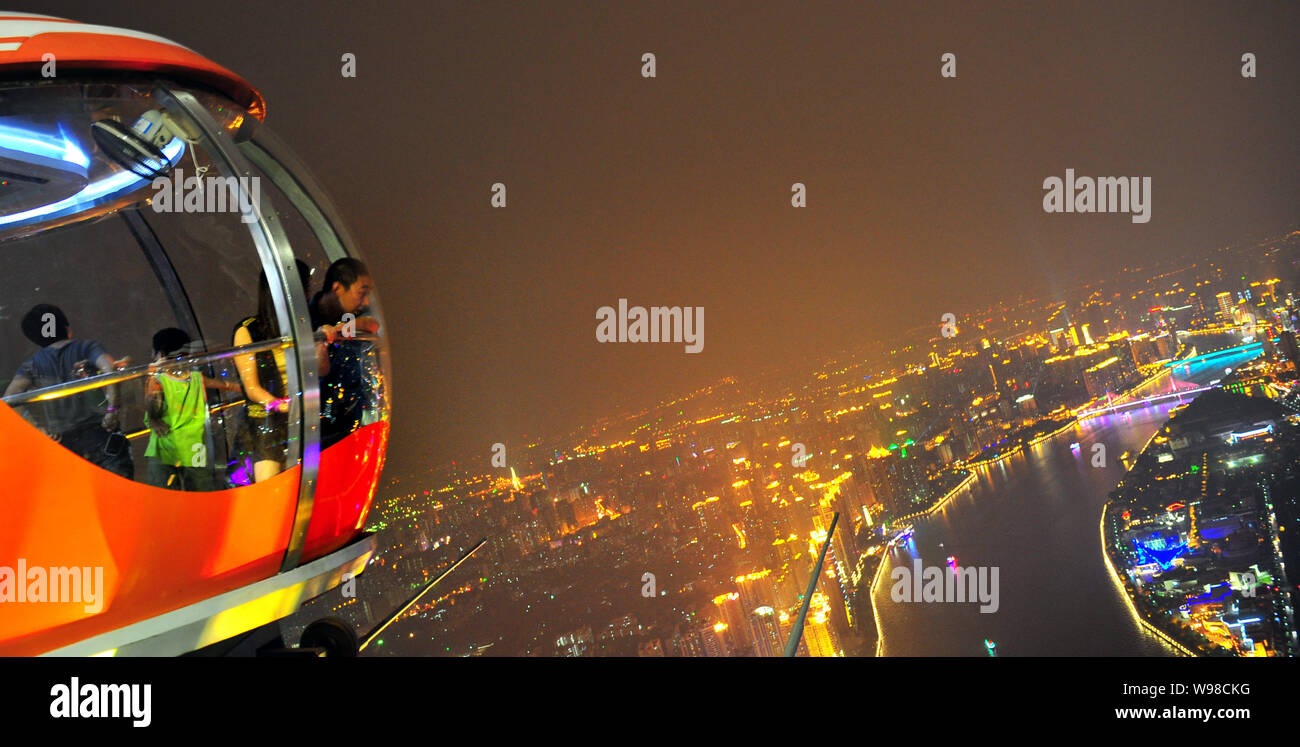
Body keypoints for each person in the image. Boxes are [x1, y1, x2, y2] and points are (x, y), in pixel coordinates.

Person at [3, 304, 133, 479]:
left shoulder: (32, 365)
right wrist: (112, 410)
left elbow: (10, 399)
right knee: (120, 496)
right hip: (102, 434)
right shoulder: (87, 348)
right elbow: (109, 367)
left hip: (63, 445)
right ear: (66, 327)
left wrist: (39, 430)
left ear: (34, 338)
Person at [233, 260, 314, 483]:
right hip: (266, 425)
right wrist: (282, 405)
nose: (307, 295)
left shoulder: (305, 327)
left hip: (300, 419)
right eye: (303, 289)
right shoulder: (248, 330)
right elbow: (252, 388)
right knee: (271, 486)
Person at [143, 327, 239, 491]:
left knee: (162, 493)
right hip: (195, 445)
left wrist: (154, 419)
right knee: (200, 490)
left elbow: (152, 401)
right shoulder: (196, 377)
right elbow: (223, 385)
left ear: (160, 353)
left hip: (165, 445)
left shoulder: (158, 379)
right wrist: (240, 387)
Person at [310, 258, 381, 448]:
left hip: (350, 422)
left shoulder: (354, 317)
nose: (365, 302)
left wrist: (341, 328)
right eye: (361, 293)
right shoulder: (304, 317)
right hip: (315, 423)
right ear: (337, 288)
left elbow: (371, 324)